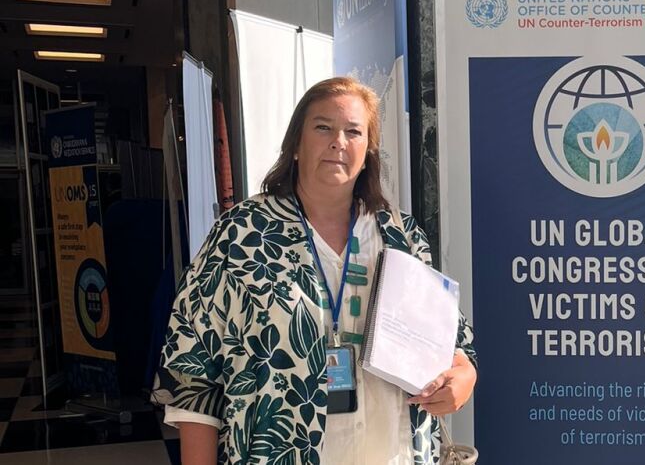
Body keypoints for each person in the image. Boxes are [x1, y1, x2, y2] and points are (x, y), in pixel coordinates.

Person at [154, 77, 477, 464]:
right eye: (323, 127)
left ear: (368, 152)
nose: (338, 141)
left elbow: (454, 345)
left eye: (353, 132)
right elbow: (192, 372)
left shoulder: (400, 235)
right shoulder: (242, 235)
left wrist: (462, 380)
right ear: (296, 145)